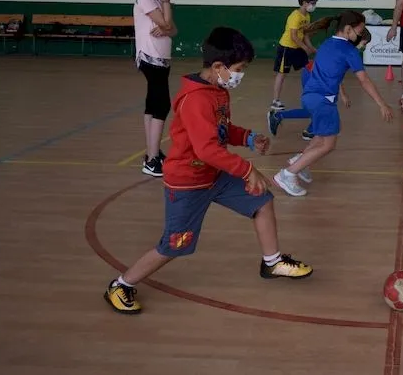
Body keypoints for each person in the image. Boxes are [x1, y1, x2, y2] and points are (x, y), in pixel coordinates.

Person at [103, 26, 313, 315]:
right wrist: (247, 169)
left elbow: (220, 130)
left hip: (213, 175)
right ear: (218, 67)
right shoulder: (197, 99)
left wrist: (248, 137)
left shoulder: (217, 90)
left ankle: (272, 262)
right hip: (187, 183)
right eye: (239, 69)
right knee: (174, 246)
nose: (241, 74)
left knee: (262, 200)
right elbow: (206, 149)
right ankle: (121, 285)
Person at [273, 12, 394, 197]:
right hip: (323, 100)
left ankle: (301, 161)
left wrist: (342, 94)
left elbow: (331, 72)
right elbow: (364, 80)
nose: (360, 35)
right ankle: (287, 174)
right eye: (360, 31)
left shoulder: (327, 43)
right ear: (348, 29)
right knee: (328, 144)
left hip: (309, 96)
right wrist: (382, 104)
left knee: (320, 137)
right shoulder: (350, 51)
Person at [133, 0, 177, 177]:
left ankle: (153, 152)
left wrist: (166, 27)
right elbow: (166, 24)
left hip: (161, 59)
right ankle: (151, 160)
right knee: (162, 105)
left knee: (153, 104)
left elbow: (172, 29)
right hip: (151, 58)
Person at [271, 0, 319, 111]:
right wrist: (305, 48)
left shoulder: (307, 16)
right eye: (312, 3)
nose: (314, 6)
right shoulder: (295, 16)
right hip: (287, 48)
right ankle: (275, 101)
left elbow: (305, 34)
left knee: (308, 68)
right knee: (282, 74)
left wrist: (311, 48)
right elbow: (293, 36)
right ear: (304, 3)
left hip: (298, 47)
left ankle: (312, 96)